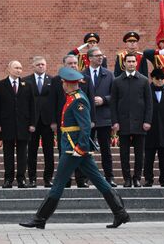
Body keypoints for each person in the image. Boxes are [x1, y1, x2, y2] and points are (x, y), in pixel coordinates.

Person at [19, 67, 129, 230]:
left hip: (73, 149)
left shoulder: (78, 99)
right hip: (73, 146)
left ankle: (40, 218)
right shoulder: (72, 97)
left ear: (69, 84)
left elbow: (85, 127)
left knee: (58, 183)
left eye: (64, 82)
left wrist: (80, 147)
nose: (62, 85)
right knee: (99, 180)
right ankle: (120, 213)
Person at [49, 54, 95, 188]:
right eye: (70, 63)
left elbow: (90, 99)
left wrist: (92, 119)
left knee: (80, 151)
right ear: (65, 65)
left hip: (80, 123)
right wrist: (53, 121)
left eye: (75, 63)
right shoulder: (57, 80)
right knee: (64, 151)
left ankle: (81, 179)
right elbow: (53, 101)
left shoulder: (85, 79)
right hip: (64, 124)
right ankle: (66, 180)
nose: (73, 65)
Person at [110, 53, 153, 188]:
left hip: (140, 123)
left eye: (133, 61)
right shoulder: (117, 81)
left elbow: (149, 103)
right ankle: (127, 178)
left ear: (136, 63)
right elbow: (113, 103)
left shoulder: (144, 80)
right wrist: (115, 121)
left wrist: (147, 121)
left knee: (140, 153)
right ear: (124, 63)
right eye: (128, 61)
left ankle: (137, 178)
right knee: (124, 154)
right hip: (123, 123)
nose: (131, 63)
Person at [0, 60, 36, 188]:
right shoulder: (0, 85)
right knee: (8, 153)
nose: (19, 70)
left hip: (24, 124)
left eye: (20, 68)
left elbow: (32, 106)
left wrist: (32, 123)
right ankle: (8, 179)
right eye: (16, 67)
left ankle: (21, 178)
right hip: (7, 124)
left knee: (23, 153)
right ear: (9, 69)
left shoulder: (27, 85)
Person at [84, 47, 116, 186]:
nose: (100, 57)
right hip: (87, 118)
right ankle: (84, 178)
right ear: (89, 58)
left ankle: (109, 177)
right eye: (97, 55)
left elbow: (115, 94)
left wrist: (104, 99)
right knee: (85, 150)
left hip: (104, 117)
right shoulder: (82, 75)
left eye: (101, 55)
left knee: (106, 150)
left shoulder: (109, 74)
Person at [24, 56, 54, 188]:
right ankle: (32, 179)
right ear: (33, 66)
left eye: (43, 64)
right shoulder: (25, 81)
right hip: (32, 122)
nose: (41, 66)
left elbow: (55, 102)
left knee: (49, 152)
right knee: (32, 151)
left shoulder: (53, 81)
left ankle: (48, 179)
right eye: (38, 65)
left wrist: (54, 121)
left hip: (48, 122)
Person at [143, 69, 164, 187]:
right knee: (149, 157)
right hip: (150, 128)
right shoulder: (147, 91)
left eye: (162, 78)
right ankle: (148, 179)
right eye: (157, 79)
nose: (160, 81)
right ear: (152, 79)